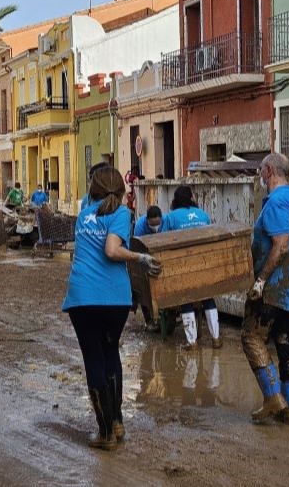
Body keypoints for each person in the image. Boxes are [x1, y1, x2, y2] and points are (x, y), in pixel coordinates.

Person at [62, 167, 162, 451]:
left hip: (84, 298)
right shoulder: (120, 214)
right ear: (121, 191)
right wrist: (140, 257)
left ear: (93, 189)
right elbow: (112, 250)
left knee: (94, 359)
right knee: (110, 353)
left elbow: (106, 247)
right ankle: (116, 423)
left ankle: (105, 432)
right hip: (115, 298)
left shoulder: (84, 210)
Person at [242, 153, 289, 426]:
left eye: (261, 170)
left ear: (269, 171)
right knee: (288, 345)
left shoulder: (277, 201)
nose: (260, 176)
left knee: (251, 336)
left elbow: (280, 246)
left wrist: (259, 281)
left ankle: (272, 397)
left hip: (277, 284)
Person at [162, 185, 222, 350]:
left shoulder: (170, 217)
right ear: (190, 198)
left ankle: (192, 342)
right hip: (204, 264)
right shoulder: (203, 214)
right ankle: (216, 339)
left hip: (183, 266)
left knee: (185, 299)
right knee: (208, 297)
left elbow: (162, 241)